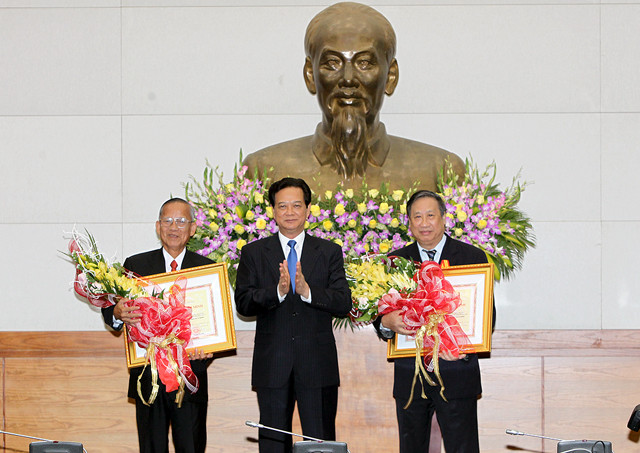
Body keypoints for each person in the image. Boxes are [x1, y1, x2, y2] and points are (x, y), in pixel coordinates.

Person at [243, 2, 464, 194]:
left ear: (390, 76)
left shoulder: (441, 173)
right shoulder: (262, 172)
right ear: (311, 75)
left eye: (364, 63)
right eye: (332, 63)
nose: (348, 79)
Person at [234, 177, 352, 453]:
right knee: (273, 442)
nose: (289, 212)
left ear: (308, 210)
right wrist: (277, 291)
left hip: (317, 365)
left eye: (296, 205)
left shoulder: (329, 251)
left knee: (320, 442)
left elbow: (343, 301)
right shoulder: (253, 252)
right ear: (273, 211)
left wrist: (308, 291)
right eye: (282, 206)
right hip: (273, 364)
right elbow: (243, 302)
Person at [376, 190, 493, 453]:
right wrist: (386, 321)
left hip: (457, 373)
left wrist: (462, 345)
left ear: (443, 219)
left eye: (430, 215)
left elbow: (487, 317)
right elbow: (379, 316)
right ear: (409, 223)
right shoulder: (395, 262)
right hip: (411, 375)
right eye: (417, 217)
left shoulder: (471, 257)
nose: (424, 223)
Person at [101, 197, 214, 453]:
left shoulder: (207, 269)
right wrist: (118, 312)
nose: (174, 227)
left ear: (193, 228)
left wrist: (209, 347)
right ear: (158, 226)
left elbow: (212, 323)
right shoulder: (136, 265)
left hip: (190, 377)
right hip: (147, 378)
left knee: (192, 448)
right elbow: (110, 310)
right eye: (168, 221)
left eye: (181, 221)